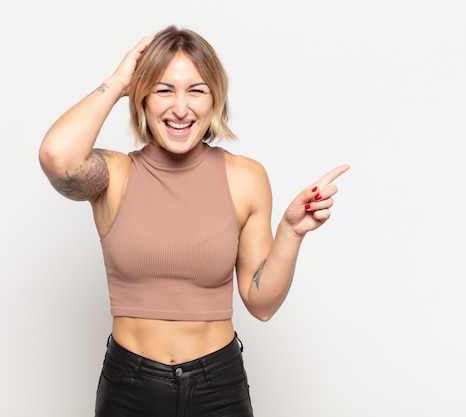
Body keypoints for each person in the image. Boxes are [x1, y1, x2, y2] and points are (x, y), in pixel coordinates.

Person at [39, 25, 349, 417]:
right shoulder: (115, 175)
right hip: (130, 385)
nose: (180, 108)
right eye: (163, 89)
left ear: (215, 99)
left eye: (196, 90)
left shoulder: (245, 177)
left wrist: (290, 233)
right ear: (143, 98)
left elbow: (261, 303)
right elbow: (56, 157)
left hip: (217, 383)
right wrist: (118, 82)